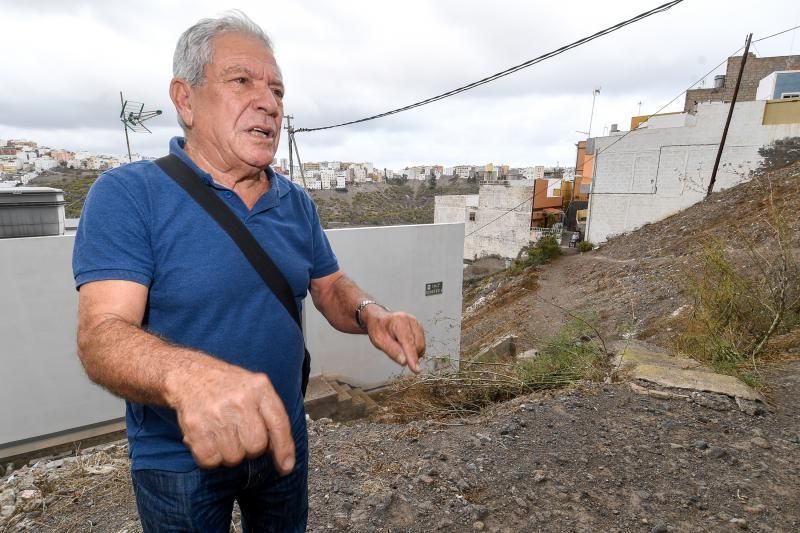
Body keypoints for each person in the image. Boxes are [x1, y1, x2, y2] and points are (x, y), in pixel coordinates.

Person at [73, 11, 425, 532]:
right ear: (185, 99)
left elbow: (327, 285)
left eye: (278, 91)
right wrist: (190, 378)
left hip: (284, 437)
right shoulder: (128, 196)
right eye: (242, 81)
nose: (269, 103)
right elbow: (101, 336)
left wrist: (371, 314)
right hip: (180, 461)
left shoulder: (296, 203)